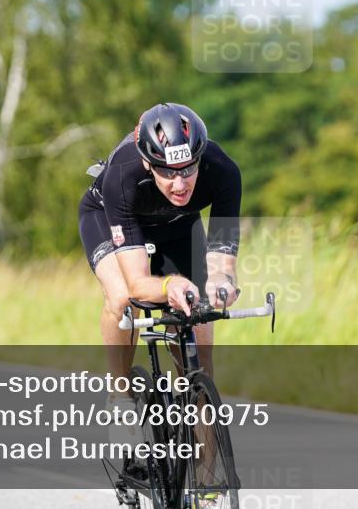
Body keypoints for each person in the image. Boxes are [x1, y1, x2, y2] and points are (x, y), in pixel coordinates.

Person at [78, 103, 241, 389]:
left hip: (177, 223)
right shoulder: (123, 176)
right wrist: (169, 287)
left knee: (198, 314)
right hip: (110, 218)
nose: (180, 185)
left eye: (188, 169)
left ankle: (197, 403)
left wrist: (220, 283)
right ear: (147, 163)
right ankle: (120, 392)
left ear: (199, 157)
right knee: (123, 299)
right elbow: (138, 283)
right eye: (167, 172)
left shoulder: (222, 171)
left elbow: (222, 257)